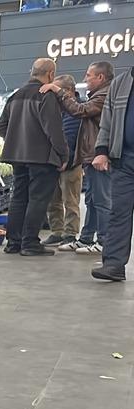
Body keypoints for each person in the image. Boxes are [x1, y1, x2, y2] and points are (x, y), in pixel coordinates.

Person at [0, 58, 69, 256]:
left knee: (18, 198)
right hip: (42, 158)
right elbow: (53, 129)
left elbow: (1, 127)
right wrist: (63, 154)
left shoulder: (15, 96)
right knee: (38, 199)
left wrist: (17, 140)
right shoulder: (46, 95)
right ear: (51, 74)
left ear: (32, 72)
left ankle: (13, 243)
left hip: (17, 157)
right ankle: (30, 243)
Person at [43, 62, 114, 254]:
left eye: (89, 75)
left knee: (100, 200)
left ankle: (104, 241)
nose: (86, 79)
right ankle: (85, 238)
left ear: (100, 77)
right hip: (90, 157)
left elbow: (80, 112)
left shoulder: (104, 96)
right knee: (91, 199)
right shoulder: (98, 96)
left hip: (97, 156)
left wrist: (58, 91)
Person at [89, 64, 134, 281]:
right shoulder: (120, 83)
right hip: (124, 160)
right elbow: (106, 122)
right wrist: (101, 151)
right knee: (118, 213)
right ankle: (114, 265)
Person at [40, 74, 82, 247]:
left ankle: (70, 234)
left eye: (56, 89)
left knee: (70, 200)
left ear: (69, 91)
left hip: (70, 164)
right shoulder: (58, 109)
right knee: (53, 200)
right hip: (54, 163)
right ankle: (57, 231)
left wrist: (67, 160)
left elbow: (72, 138)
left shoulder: (77, 110)